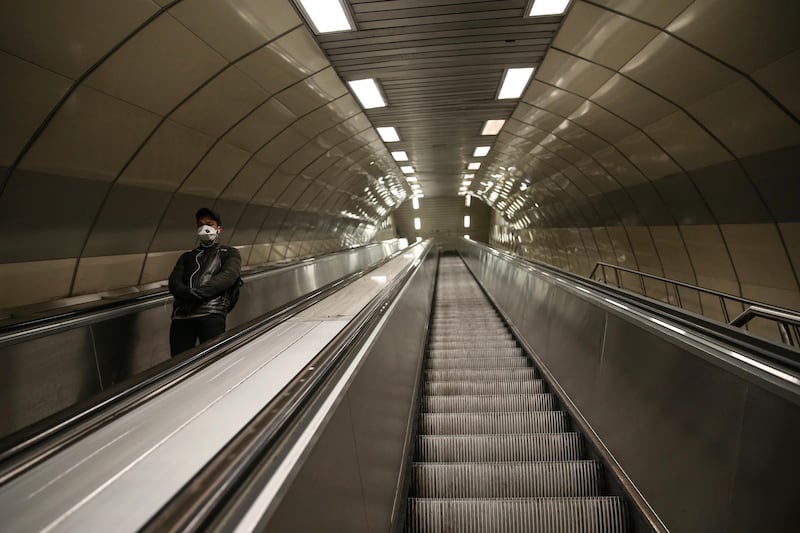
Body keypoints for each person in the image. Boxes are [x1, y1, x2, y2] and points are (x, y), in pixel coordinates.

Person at [168, 207, 242, 356]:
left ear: (218, 229)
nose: (205, 228)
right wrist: (188, 293)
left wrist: (195, 294)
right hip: (182, 316)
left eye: (210, 224)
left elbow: (227, 277)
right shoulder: (186, 257)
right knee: (178, 364)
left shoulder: (229, 253)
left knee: (212, 361)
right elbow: (174, 283)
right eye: (201, 224)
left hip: (211, 314)